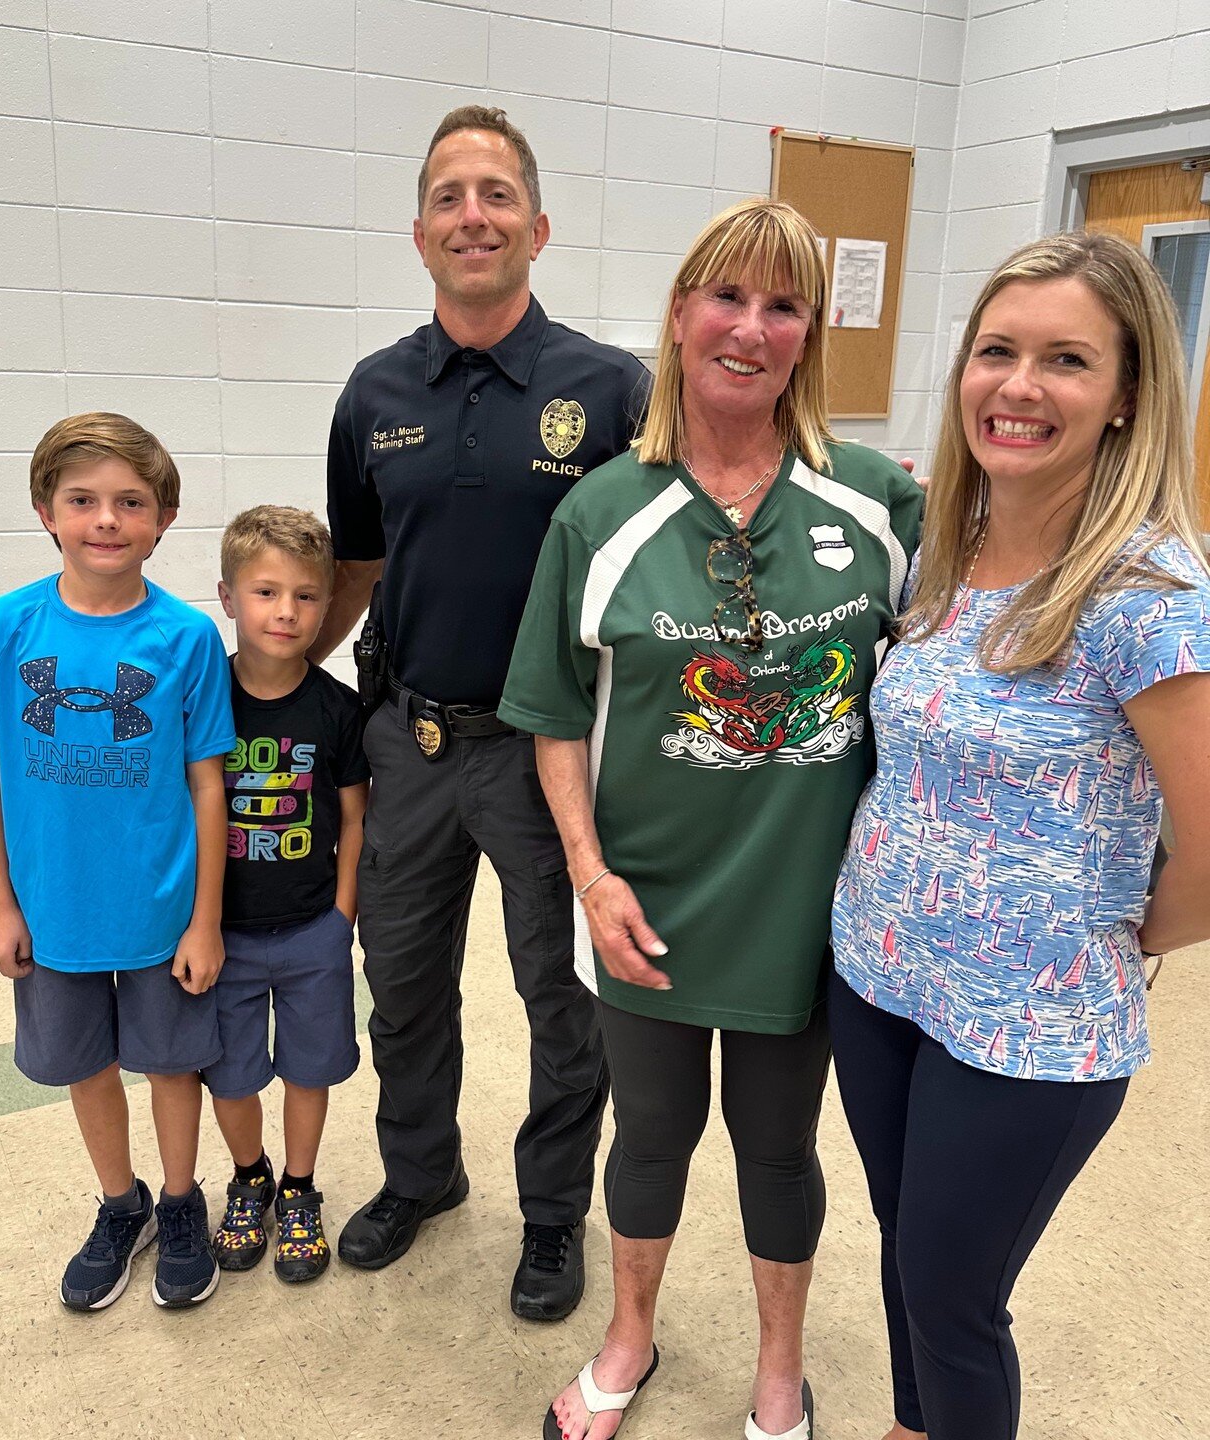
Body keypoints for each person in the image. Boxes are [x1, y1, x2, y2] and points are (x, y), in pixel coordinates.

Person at [500, 198, 923, 1440]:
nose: (750, 327)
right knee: (652, 1134)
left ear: (809, 337)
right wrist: (589, 876)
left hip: (807, 913)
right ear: (679, 317)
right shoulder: (601, 515)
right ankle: (629, 1334)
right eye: (725, 298)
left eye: (782, 305)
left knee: (779, 1147)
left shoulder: (878, 504)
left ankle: (779, 1367)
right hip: (647, 905)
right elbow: (555, 715)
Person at [830, 231, 1210, 1440]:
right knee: (904, 1246)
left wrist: (1117, 933)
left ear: (1126, 398)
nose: (1020, 386)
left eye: (1067, 360)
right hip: (881, 972)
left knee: (952, 1299)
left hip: (1031, 1027)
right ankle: (908, 1425)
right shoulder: (948, 551)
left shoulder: (1145, 595)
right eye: (998, 352)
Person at [310, 104, 650, 1320]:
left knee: (562, 1001)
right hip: (408, 739)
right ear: (419, 234)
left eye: (496, 194)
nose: (474, 215)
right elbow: (354, 569)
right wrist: (270, 686)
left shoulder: (610, 389)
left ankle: (554, 1215)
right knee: (398, 981)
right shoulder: (374, 392)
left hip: (547, 755)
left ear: (538, 226)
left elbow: (660, 559)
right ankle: (421, 1176)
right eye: (451, 197)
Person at [0, 412, 235, 1311]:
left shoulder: (186, 638)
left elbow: (205, 787)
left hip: (159, 905)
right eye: (83, 500)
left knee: (171, 1062)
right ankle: (124, 1204)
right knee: (85, 1063)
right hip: (53, 904)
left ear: (164, 519)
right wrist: (0, 903)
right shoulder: (5, 628)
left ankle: (184, 1200)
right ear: (46, 510)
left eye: (130, 502)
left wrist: (204, 919)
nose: (106, 520)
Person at [203, 506, 369, 1284]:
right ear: (229, 598)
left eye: (306, 596)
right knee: (230, 1074)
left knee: (310, 1069)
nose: (286, 612)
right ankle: (250, 1176)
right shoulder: (202, 701)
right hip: (222, 936)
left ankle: (300, 1187)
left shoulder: (338, 710)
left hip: (312, 932)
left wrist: (342, 916)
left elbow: (353, 818)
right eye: (266, 592)